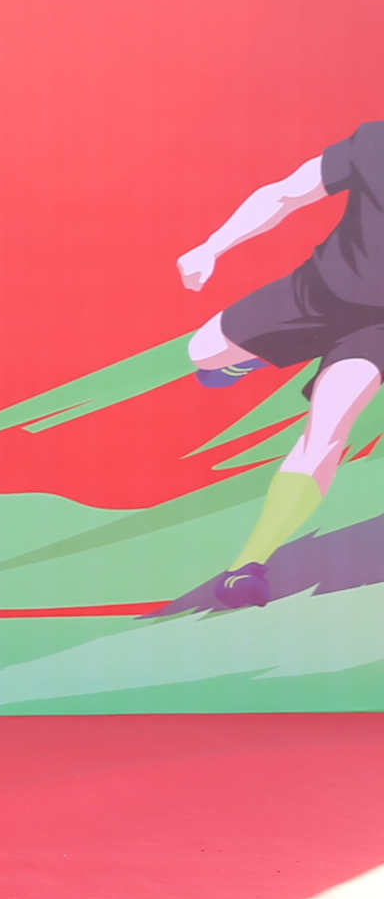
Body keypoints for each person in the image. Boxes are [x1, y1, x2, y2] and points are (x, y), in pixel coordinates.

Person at [179, 119, 384, 608]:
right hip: (314, 292)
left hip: (376, 330)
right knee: (203, 352)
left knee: (328, 430)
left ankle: (247, 566)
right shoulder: (374, 142)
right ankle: (241, 361)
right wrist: (212, 247)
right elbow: (287, 194)